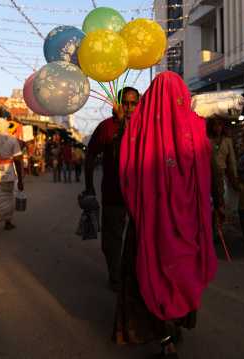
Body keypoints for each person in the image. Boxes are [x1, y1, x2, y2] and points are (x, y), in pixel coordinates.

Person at [112, 71, 227, 359]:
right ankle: (176, 324)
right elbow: (213, 167)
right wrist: (220, 200)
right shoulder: (197, 127)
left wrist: (123, 129)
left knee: (151, 270)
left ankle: (166, 341)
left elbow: (121, 167)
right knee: (183, 270)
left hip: (150, 220)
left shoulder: (138, 129)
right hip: (190, 220)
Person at [85, 86, 140, 292]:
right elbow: (91, 155)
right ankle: (116, 278)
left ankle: (136, 275)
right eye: (125, 102)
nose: (128, 107)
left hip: (139, 195)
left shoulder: (144, 126)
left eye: (133, 103)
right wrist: (89, 185)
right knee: (112, 238)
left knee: (140, 237)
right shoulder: (106, 126)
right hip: (113, 192)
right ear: (117, 103)